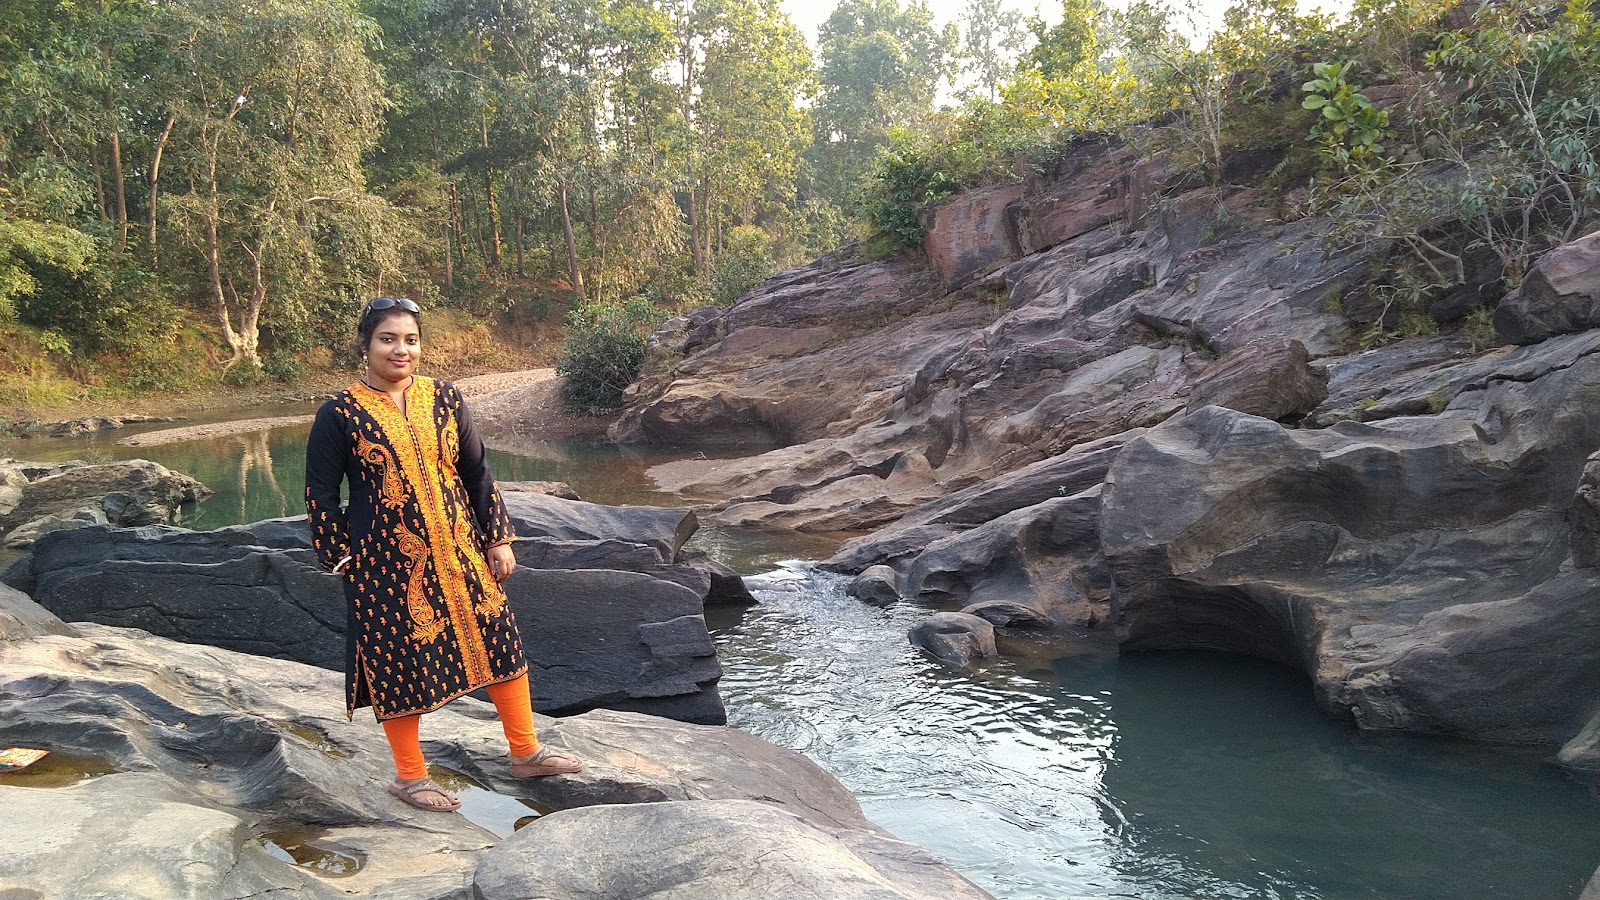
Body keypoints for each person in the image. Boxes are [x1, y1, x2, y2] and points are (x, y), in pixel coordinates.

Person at [304, 296, 582, 812]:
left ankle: (526, 752)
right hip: (386, 563)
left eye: (410, 340)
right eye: (388, 339)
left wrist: (497, 537)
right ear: (365, 346)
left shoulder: (445, 398)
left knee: (499, 639)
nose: (401, 350)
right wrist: (342, 558)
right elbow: (320, 492)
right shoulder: (339, 413)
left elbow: (476, 472)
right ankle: (410, 777)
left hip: (461, 549)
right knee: (396, 661)